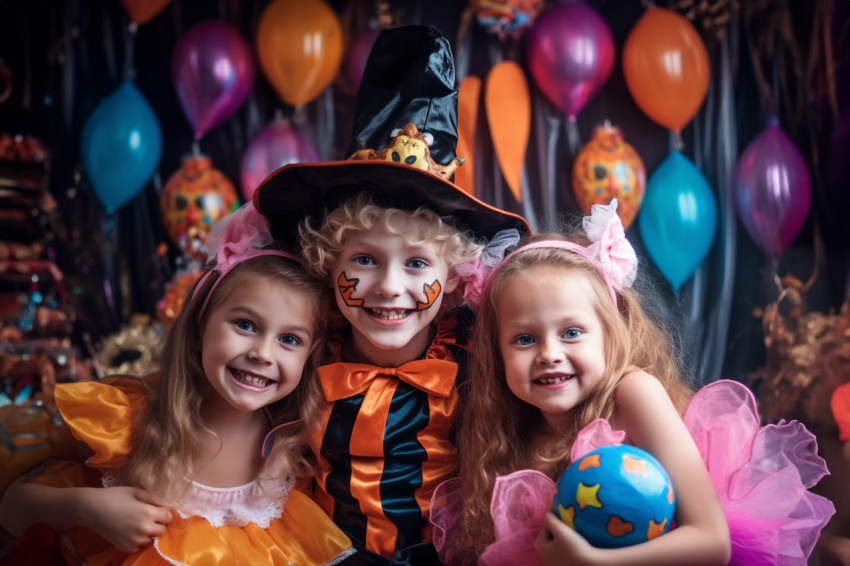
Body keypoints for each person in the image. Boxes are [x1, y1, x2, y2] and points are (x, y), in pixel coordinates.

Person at [253, 25, 529, 565]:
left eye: (418, 263)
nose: (389, 287)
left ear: (453, 275)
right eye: (364, 259)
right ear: (327, 263)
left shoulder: (480, 360)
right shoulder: (300, 349)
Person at [430, 199, 835, 565]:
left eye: (571, 332)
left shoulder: (632, 394)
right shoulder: (510, 432)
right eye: (524, 339)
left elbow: (712, 541)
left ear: (610, 332)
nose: (549, 353)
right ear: (497, 354)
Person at [0, 203, 356, 565]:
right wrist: (89, 507)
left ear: (309, 355)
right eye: (246, 325)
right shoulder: (129, 419)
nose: (263, 354)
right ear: (200, 327)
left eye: (289, 340)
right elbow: (12, 508)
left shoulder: (292, 450)